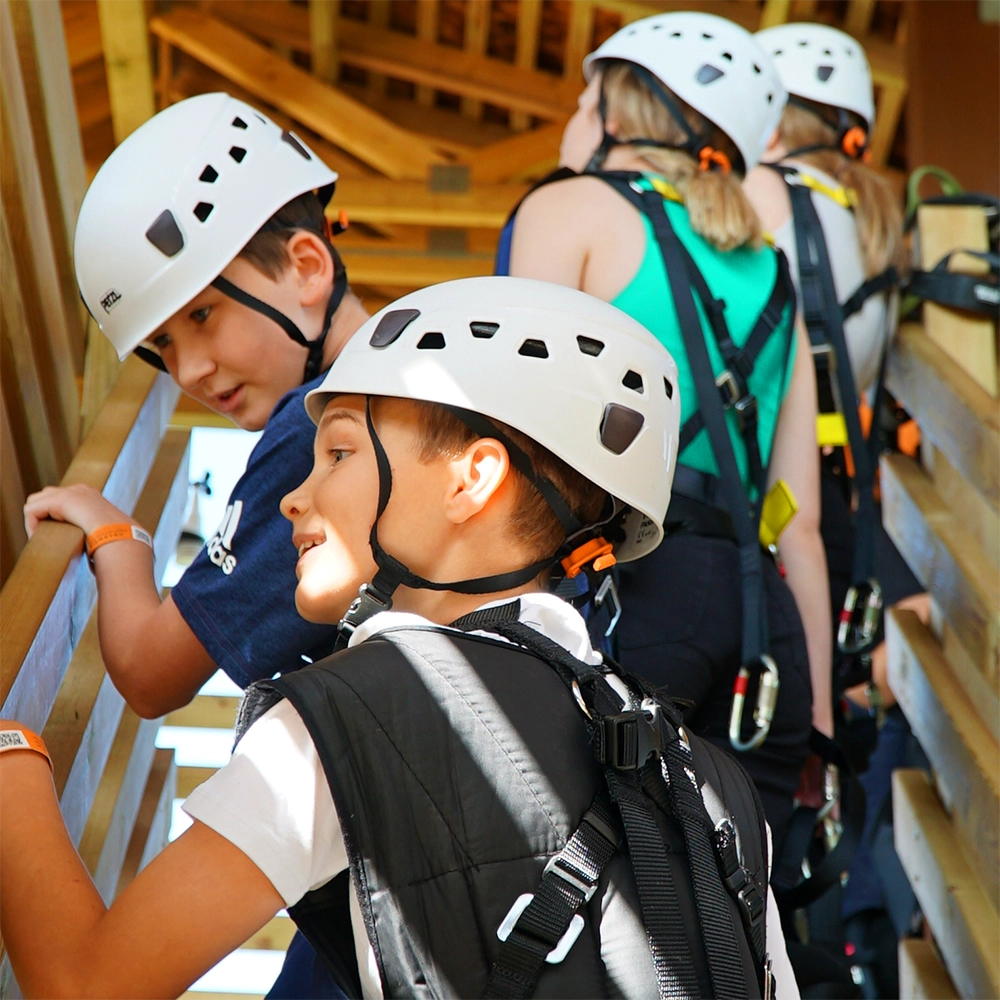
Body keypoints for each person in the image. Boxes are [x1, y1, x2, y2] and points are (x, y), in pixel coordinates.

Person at [0, 276, 799, 1000]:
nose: (296, 499)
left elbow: (82, 982)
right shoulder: (711, 786)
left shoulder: (348, 718)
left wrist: (11, 755)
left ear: (471, 480)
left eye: (340, 452)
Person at [23, 92, 368, 998]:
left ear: (305, 266)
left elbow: (147, 671)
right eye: (162, 348)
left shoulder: (318, 430)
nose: (189, 373)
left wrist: (114, 538)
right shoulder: (414, 394)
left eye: (204, 316)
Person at [505, 11, 831, 856]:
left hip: (632, 589)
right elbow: (797, 520)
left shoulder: (567, 207)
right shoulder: (774, 270)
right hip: (768, 634)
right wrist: (820, 723)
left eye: (586, 97)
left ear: (620, 110)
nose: (575, 116)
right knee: (737, 928)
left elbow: (519, 432)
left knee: (615, 916)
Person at [743, 22, 906, 659]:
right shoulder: (872, 221)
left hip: (763, 494)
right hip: (831, 491)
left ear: (771, 128)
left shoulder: (759, 194)